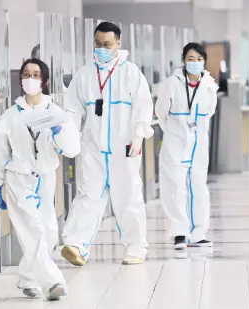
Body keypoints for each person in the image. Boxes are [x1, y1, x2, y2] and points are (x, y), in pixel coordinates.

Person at [60, 21, 154, 266]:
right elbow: (72, 109)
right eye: (98, 44)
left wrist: (139, 134)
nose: (102, 48)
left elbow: (143, 105)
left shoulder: (131, 72)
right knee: (88, 195)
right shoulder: (84, 74)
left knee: (127, 196)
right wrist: (70, 135)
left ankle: (136, 246)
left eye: (107, 44)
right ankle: (76, 245)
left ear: (118, 44)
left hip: (124, 148)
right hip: (92, 147)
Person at [0, 58, 80, 300]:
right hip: (18, 179)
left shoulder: (56, 113)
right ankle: (53, 283)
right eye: (26, 74)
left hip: (46, 178)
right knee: (33, 230)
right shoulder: (10, 116)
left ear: (44, 81)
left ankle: (27, 277)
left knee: (49, 231)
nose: (30, 78)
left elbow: (72, 149)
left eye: (36, 75)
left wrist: (59, 134)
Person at [155, 43, 218, 250]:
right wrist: (175, 131)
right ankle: (180, 233)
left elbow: (209, 113)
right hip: (176, 140)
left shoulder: (209, 84)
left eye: (199, 59)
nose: (195, 63)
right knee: (175, 187)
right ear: (183, 60)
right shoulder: (172, 83)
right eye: (191, 59)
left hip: (198, 142)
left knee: (199, 187)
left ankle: (199, 233)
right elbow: (161, 112)